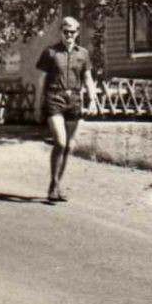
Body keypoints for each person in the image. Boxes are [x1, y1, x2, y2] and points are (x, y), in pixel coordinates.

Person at [34, 16, 96, 204]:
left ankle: (57, 186)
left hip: (74, 100)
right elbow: (41, 81)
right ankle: (53, 184)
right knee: (60, 142)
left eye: (73, 32)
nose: (69, 35)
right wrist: (37, 105)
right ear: (60, 31)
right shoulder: (50, 52)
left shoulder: (83, 53)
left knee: (68, 145)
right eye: (66, 31)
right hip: (54, 98)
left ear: (78, 33)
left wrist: (92, 99)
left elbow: (87, 78)